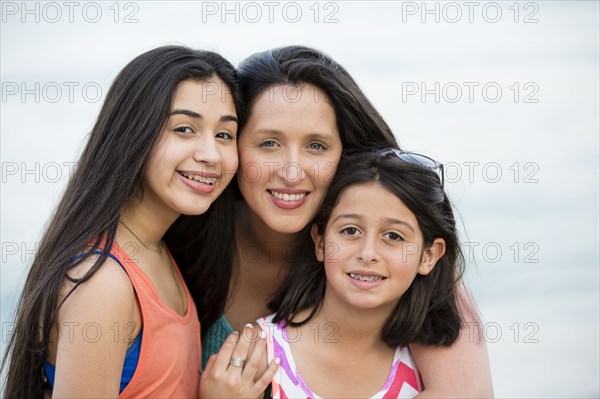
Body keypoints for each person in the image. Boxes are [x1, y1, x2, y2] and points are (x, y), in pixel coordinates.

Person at [174, 45, 493, 396]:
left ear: (346, 153)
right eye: (268, 143)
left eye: (316, 146)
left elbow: (466, 392)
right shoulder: (186, 236)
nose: (292, 172)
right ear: (233, 144)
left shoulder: (393, 257)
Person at [1, 45, 277, 399]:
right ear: (134, 135)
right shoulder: (102, 284)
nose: (210, 154)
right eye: (184, 129)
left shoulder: (160, 250)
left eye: (224, 134)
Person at [257, 148, 464, 398]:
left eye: (393, 236)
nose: (367, 253)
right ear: (320, 242)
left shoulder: (435, 374)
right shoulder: (259, 353)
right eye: (350, 231)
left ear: (428, 256)